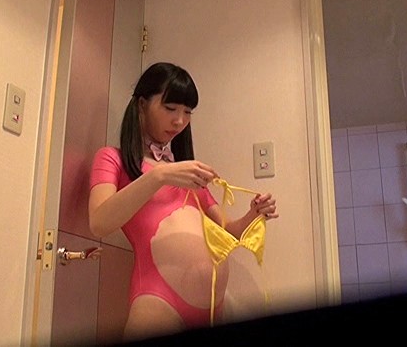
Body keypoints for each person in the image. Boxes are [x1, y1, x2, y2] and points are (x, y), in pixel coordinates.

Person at [88, 61, 279, 341]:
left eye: (188, 112)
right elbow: (99, 222)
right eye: (170, 108)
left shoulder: (186, 173)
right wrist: (160, 175)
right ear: (142, 104)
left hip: (213, 307)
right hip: (158, 302)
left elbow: (228, 232)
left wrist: (254, 214)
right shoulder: (112, 159)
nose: (180, 121)